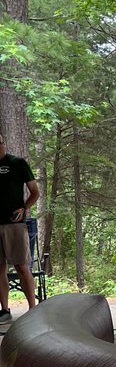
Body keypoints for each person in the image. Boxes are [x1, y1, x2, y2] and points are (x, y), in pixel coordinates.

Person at [0, 132, 41, 322]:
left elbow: (35, 192)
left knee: (21, 266)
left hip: (14, 224)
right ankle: (5, 311)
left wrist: (24, 208)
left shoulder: (17, 164)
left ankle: (33, 309)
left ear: (3, 143)